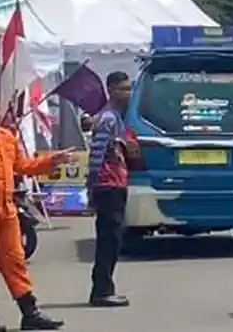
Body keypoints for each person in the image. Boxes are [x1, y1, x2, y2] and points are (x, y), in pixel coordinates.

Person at [0, 91, 73, 332]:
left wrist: (51, 160)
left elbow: (22, 166)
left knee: (15, 261)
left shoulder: (7, 137)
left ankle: (30, 313)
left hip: (7, 210)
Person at [85, 71, 132, 308]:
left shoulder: (115, 117)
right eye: (123, 89)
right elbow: (97, 155)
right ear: (111, 90)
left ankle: (105, 287)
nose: (128, 93)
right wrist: (91, 187)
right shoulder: (108, 119)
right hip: (107, 185)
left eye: (129, 88)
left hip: (116, 184)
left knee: (112, 241)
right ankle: (102, 290)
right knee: (108, 241)